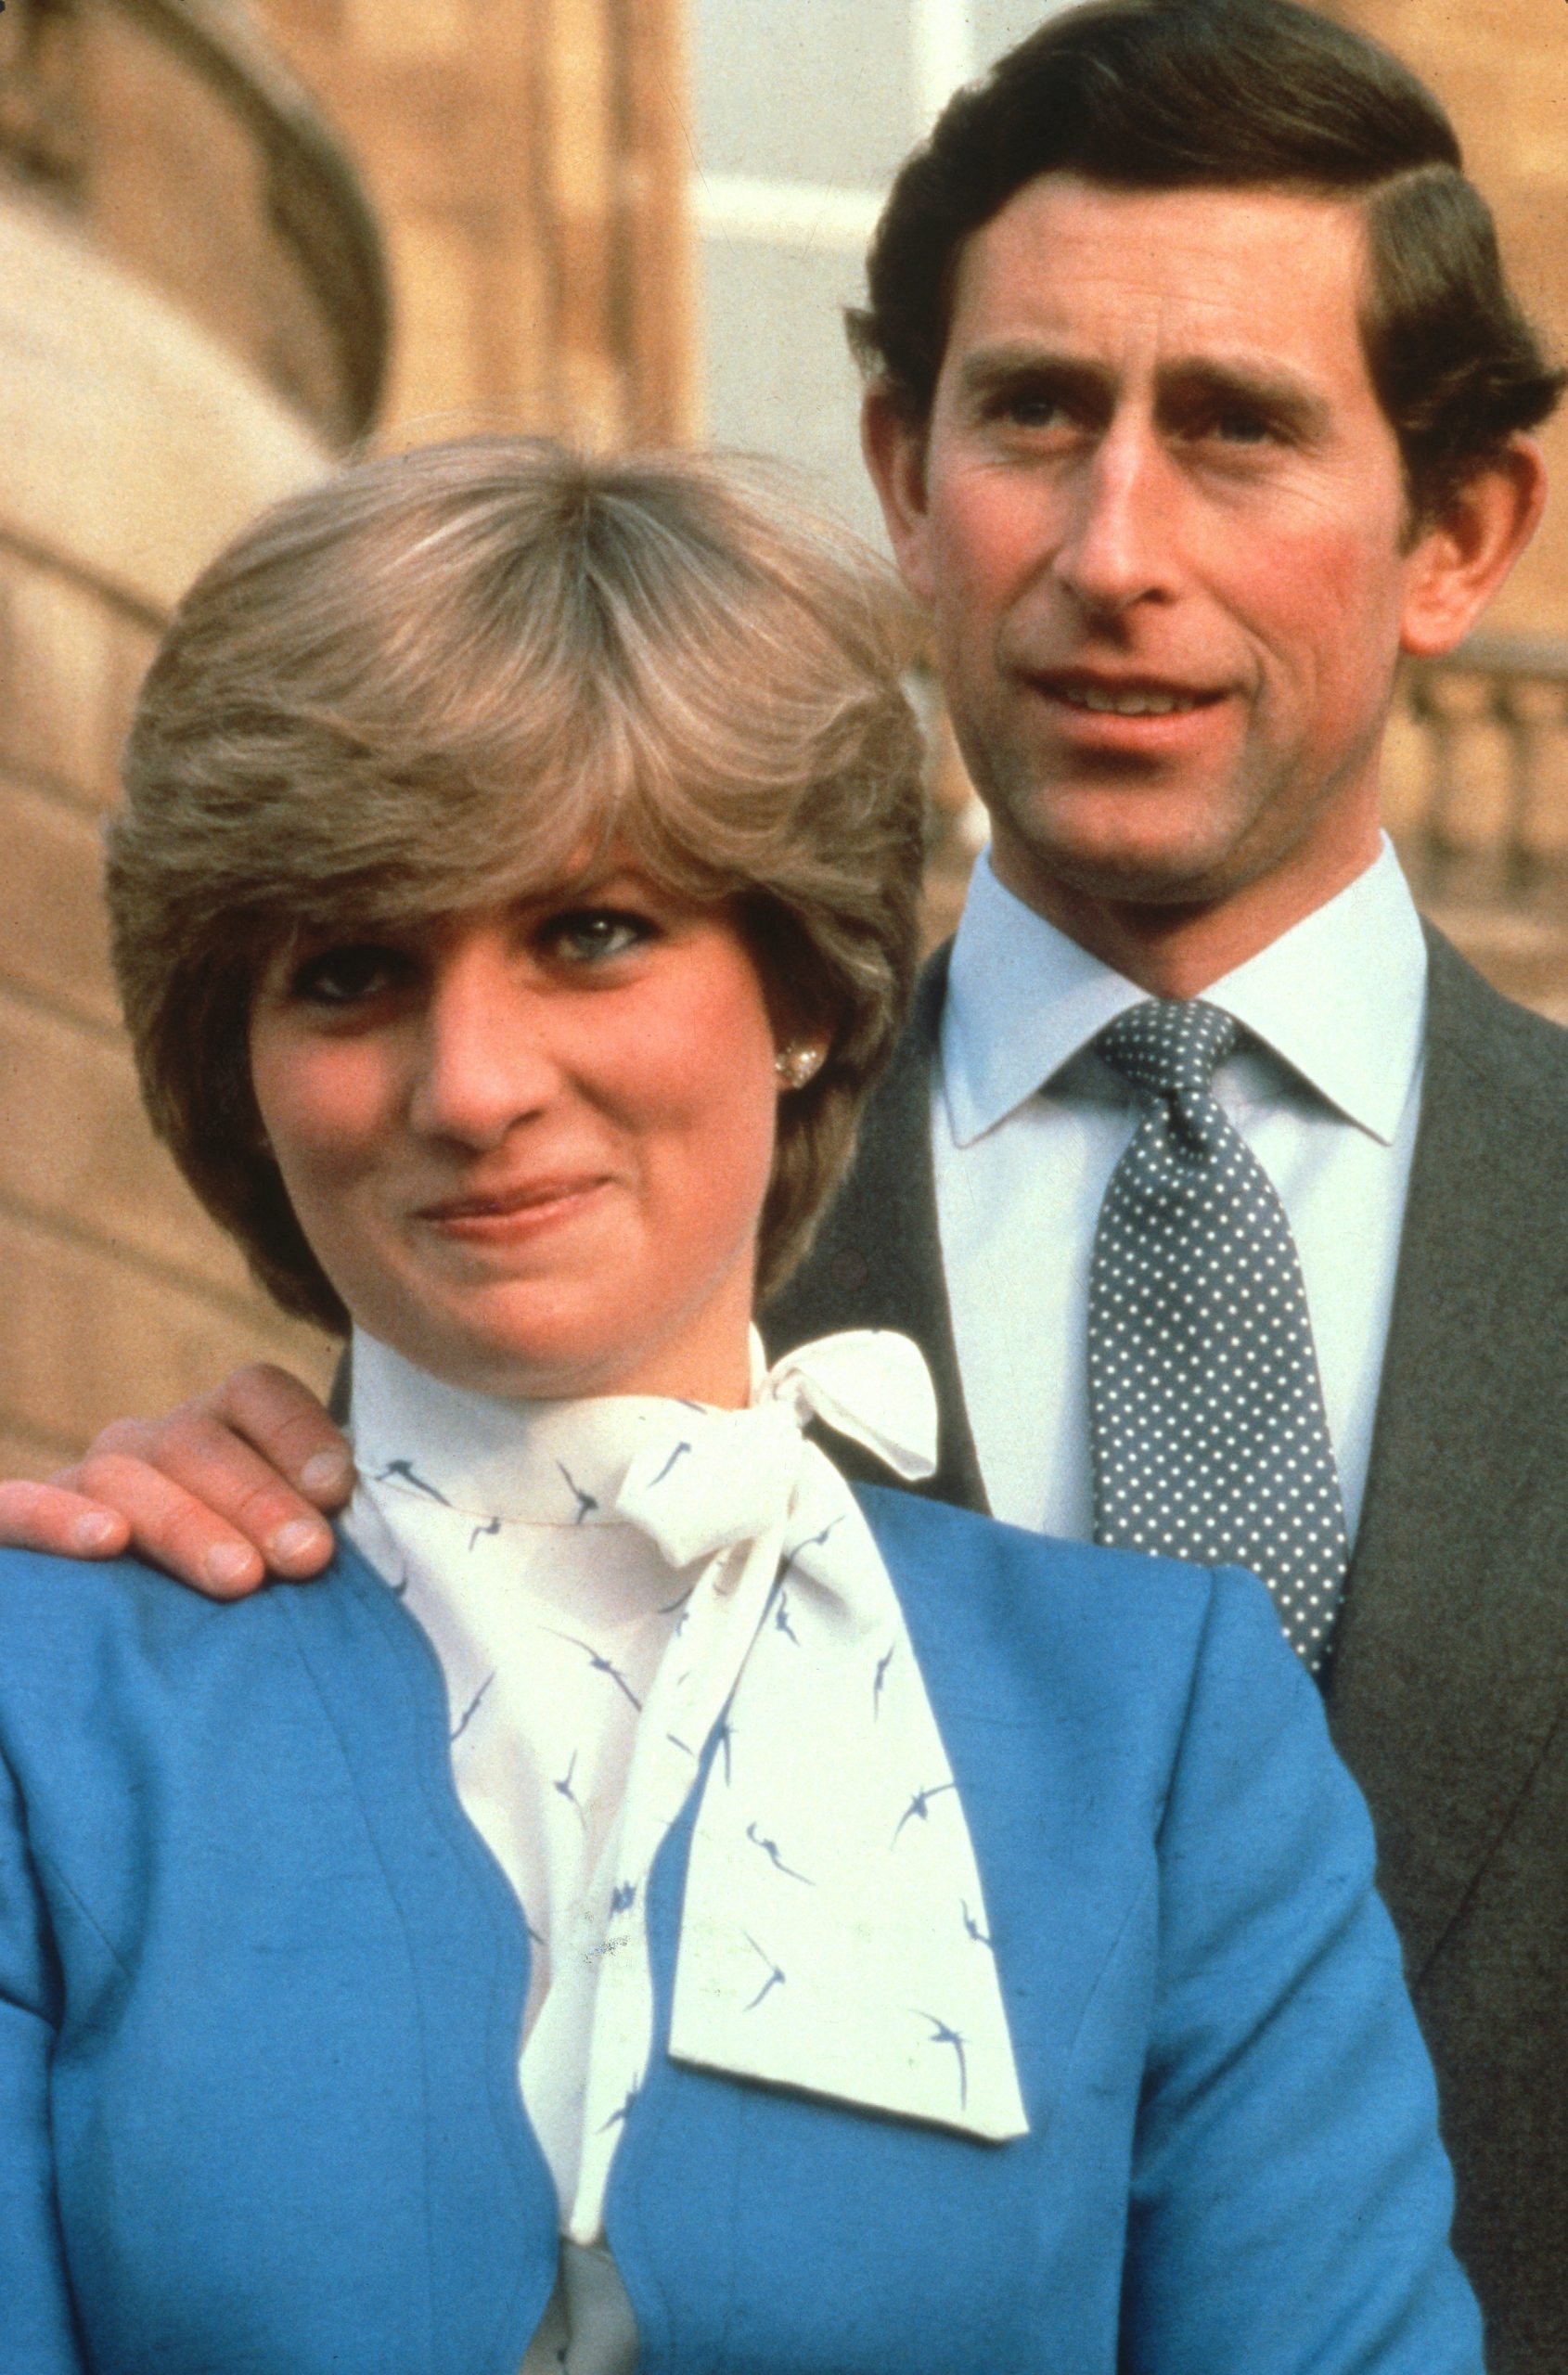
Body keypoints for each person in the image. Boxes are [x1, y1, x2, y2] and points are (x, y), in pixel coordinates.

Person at [4, 0, 1564, 2363]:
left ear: (1458, 534)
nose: (1113, 549)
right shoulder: (523, 1276)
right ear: (900, 467)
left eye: (1231, 428)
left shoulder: (1142, 1713)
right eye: (1034, 412)